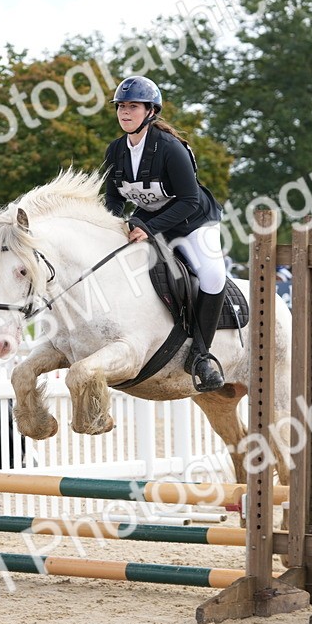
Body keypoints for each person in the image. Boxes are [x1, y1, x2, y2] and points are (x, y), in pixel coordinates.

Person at [103, 75, 227, 392]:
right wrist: (112, 224)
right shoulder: (116, 150)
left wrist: (148, 226)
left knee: (213, 275)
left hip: (193, 221)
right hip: (151, 221)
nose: (125, 113)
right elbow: (114, 198)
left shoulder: (170, 149)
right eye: (121, 107)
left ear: (150, 111)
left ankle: (202, 355)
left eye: (133, 107)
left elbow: (188, 200)